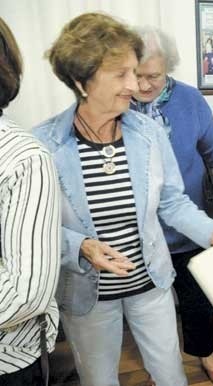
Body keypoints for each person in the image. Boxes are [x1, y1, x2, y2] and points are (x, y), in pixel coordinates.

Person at [33, 13, 213, 386]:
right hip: (88, 294)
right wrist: (79, 245)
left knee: (170, 375)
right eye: (122, 74)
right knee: (99, 379)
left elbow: (172, 203)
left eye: (138, 72)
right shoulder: (44, 145)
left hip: (151, 283)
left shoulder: (147, 132)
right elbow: (36, 227)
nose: (135, 85)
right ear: (82, 80)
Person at [130, 26, 213, 386]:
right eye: (136, 76)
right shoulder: (120, 104)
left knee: (196, 298)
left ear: (168, 67)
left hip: (189, 222)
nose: (143, 86)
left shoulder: (190, 100)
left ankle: (206, 353)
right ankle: (162, 366)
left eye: (152, 76)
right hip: (144, 230)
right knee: (152, 306)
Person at [0, 17, 61, 386]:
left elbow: (26, 291)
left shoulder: (24, 157)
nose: (135, 85)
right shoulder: (51, 134)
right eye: (123, 74)